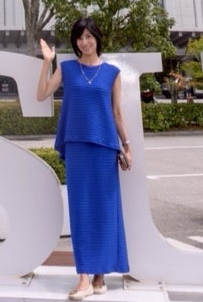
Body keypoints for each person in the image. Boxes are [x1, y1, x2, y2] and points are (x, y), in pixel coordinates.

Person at [37, 17, 131, 300]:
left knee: (104, 210)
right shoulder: (67, 68)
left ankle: (100, 274)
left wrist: (126, 145)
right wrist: (46, 62)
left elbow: (116, 113)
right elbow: (41, 94)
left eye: (89, 36)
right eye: (80, 37)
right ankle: (83, 277)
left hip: (104, 147)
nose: (85, 42)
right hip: (77, 145)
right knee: (81, 210)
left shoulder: (112, 73)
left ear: (97, 38)